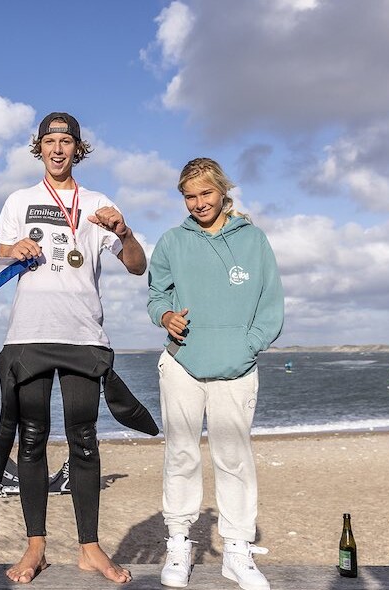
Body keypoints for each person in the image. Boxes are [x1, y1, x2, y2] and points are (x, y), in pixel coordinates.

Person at [0, 112, 153, 584]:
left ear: (77, 149)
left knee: (84, 441)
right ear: (38, 148)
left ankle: (90, 549)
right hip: (29, 334)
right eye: (50, 141)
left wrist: (123, 231)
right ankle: (35, 548)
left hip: (83, 336)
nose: (58, 148)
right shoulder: (20, 200)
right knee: (33, 439)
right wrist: (10, 249)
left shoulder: (99, 202)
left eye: (66, 141)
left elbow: (137, 266)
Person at [147, 158, 284, 590]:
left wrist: (247, 345)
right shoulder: (172, 241)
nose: (199, 202)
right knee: (181, 453)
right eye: (190, 195)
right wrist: (165, 315)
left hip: (237, 366)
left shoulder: (254, 240)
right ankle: (179, 542)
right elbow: (156, 295)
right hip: (182, 362)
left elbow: (271, 303)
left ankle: (237, 552)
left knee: (234, 457)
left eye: (206, 193)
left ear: (223, 192)